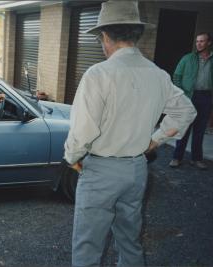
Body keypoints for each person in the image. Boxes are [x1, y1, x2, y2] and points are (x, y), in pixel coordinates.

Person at [63, 1, 197, 266]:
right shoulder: (158, 74)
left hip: (101, 171)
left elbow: (83, 131)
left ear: (105, 36)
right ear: (136, 35)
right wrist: (155, 140)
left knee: (88, 246)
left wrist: (72, 157)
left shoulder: (99, 74)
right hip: (136, 170)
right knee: (130, 240)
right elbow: (185, 111)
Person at [169, 32, 213, 170]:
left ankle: (196, 159)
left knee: (199, 130)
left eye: (202, 41)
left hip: (206, 97)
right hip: (189, 96)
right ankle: (177, 157)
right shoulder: (187, 58)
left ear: (209, 43)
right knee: (184, 128)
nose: (198, 44)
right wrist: (181, 94)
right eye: (197, 41)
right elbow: (176, 76)